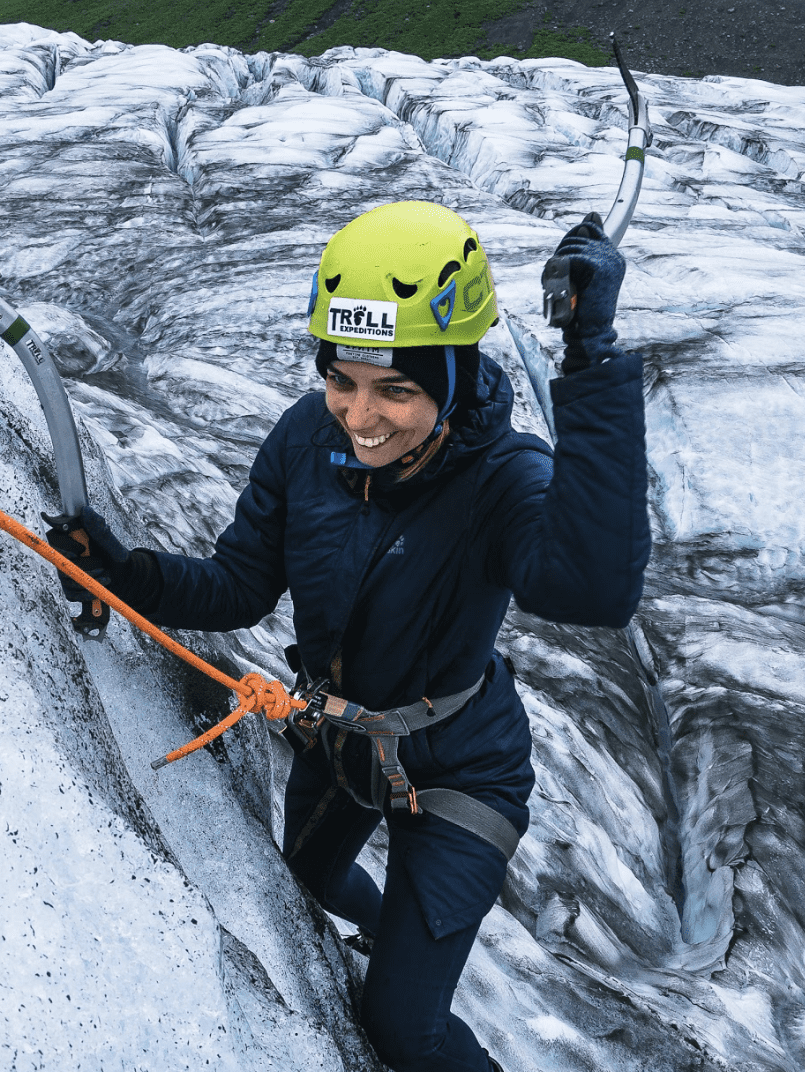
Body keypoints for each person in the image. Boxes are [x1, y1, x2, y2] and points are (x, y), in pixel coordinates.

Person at [48, 201, 649, 1072]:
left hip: (464, 770)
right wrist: (124, 572)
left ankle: (406, 977)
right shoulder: (308, 438)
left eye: (396, 389)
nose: (360, 415)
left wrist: (591, 354)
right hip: (342, 745)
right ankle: (386, 939)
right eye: (341, 378)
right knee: (303, 891)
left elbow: (595, 591)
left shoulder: (505, 477)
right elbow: (240, 585)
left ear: (452, 375)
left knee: (403, 1031)